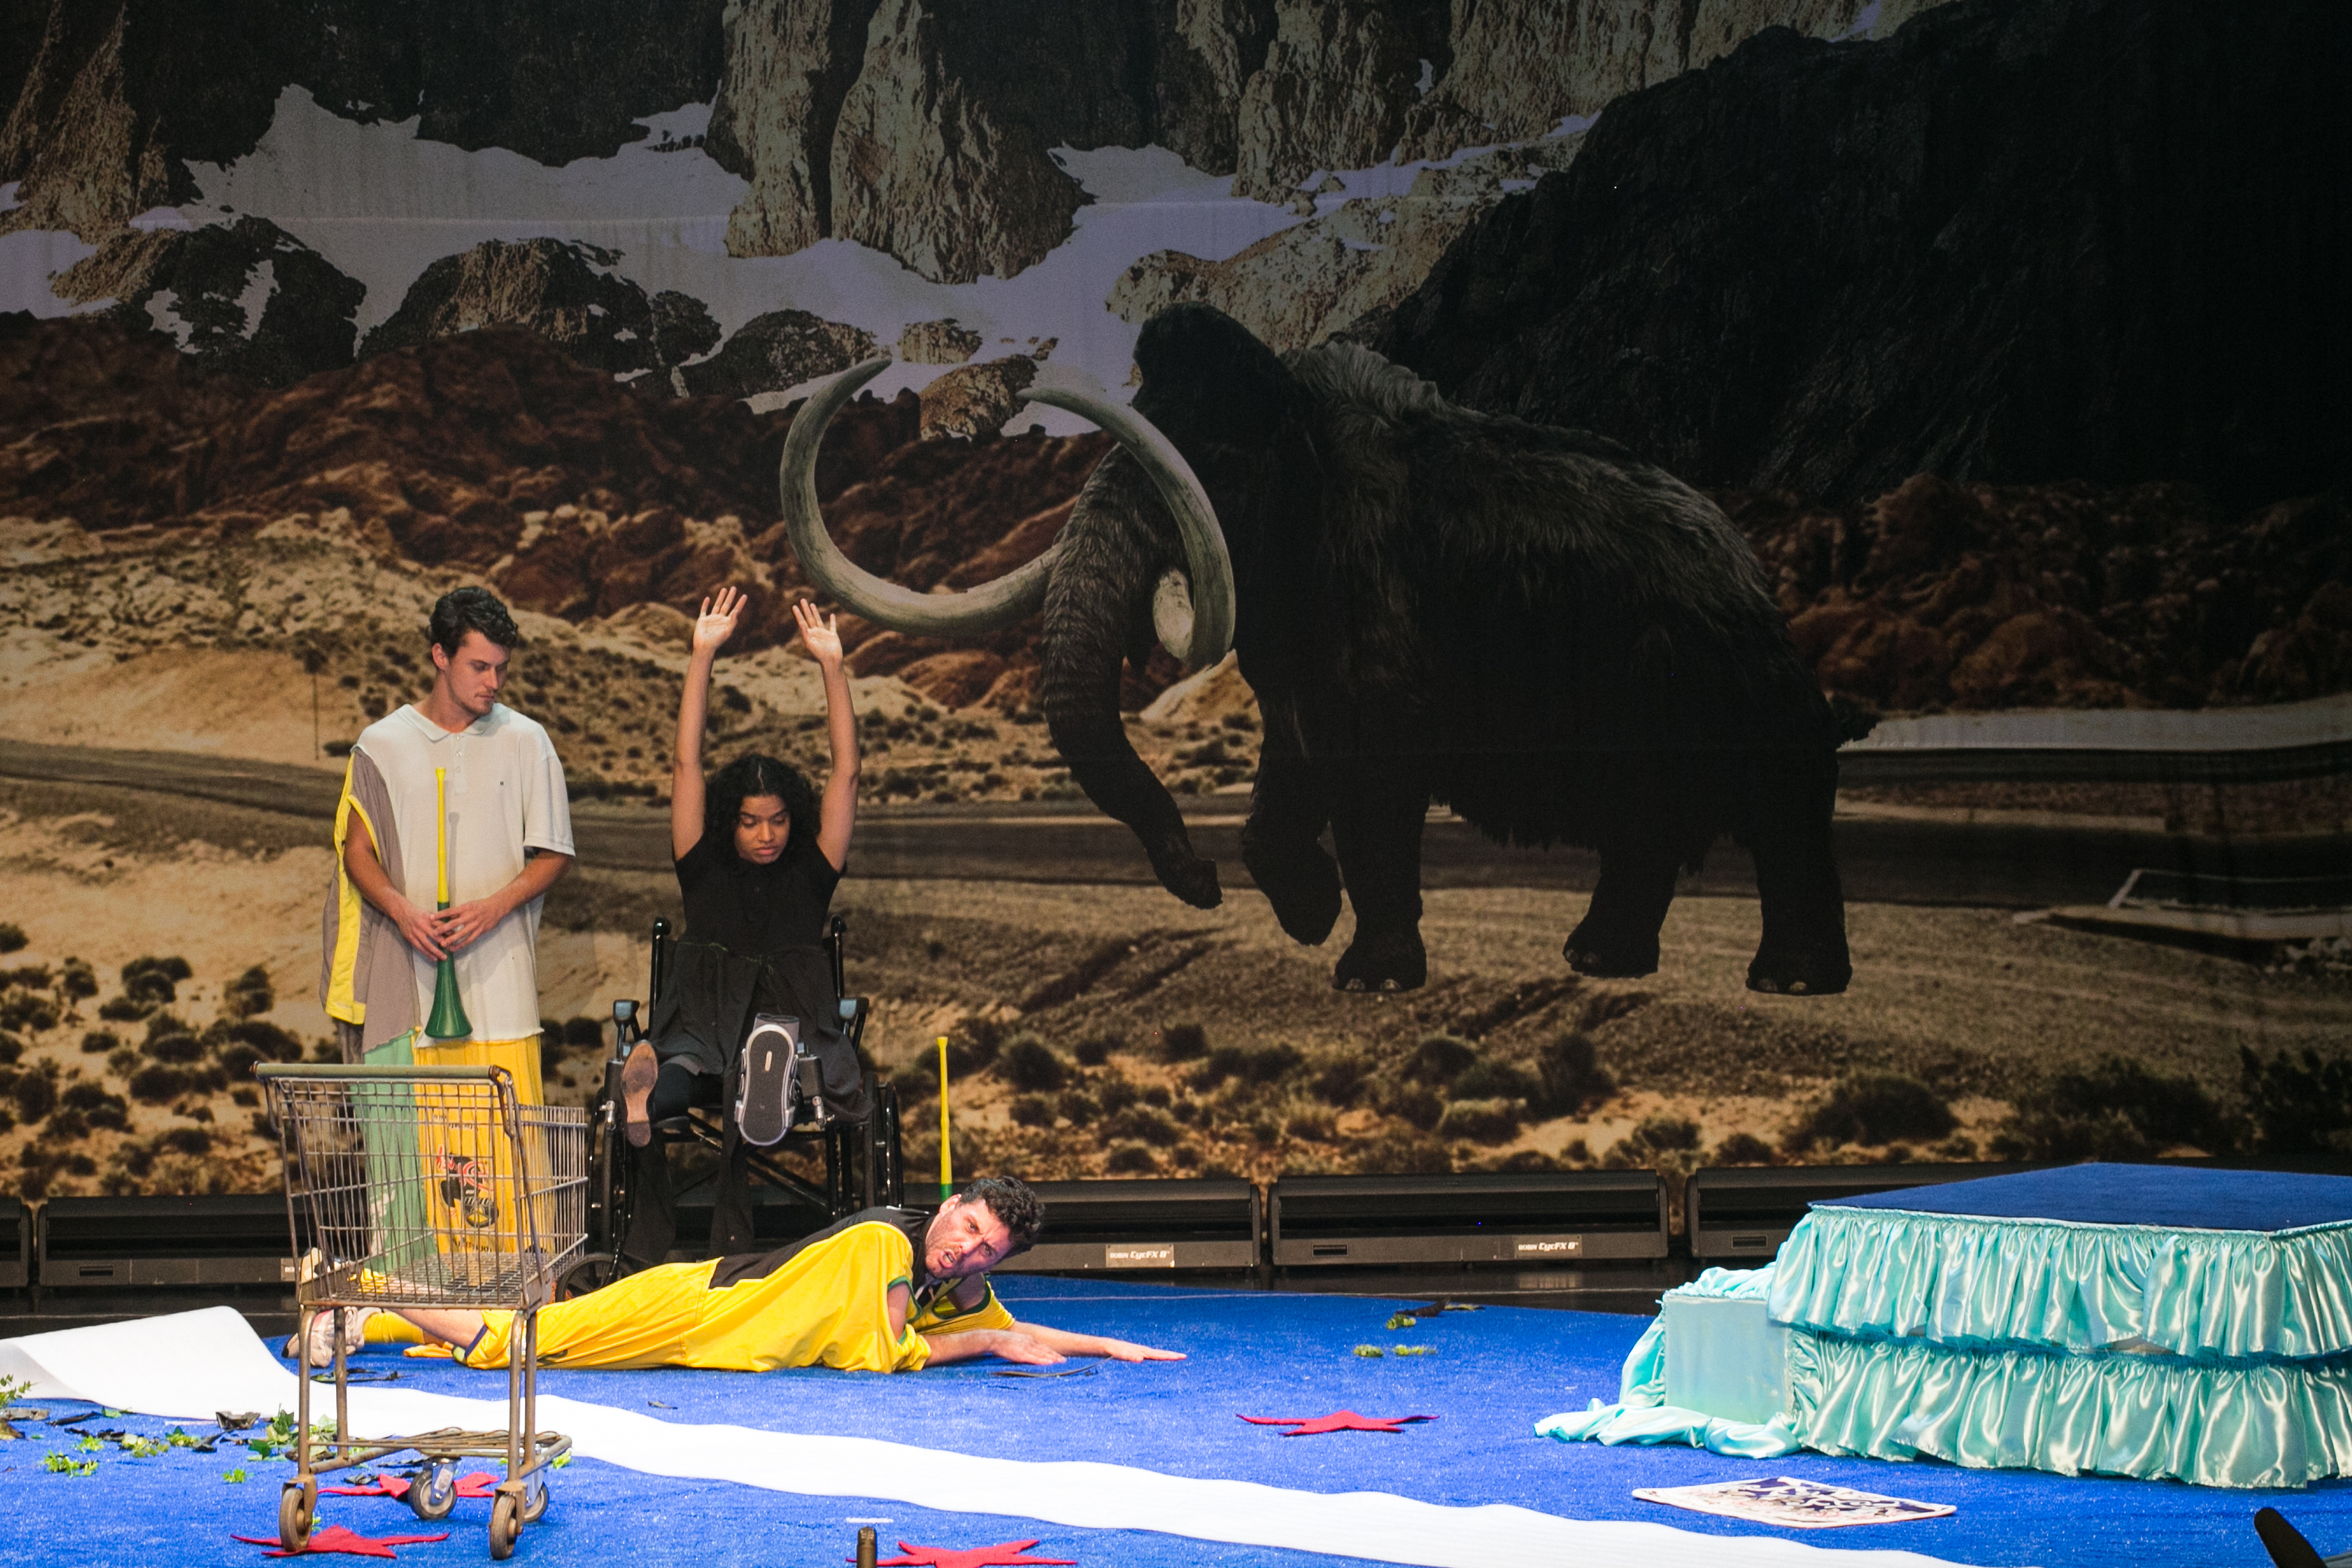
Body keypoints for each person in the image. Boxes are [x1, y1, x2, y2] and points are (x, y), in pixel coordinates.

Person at [313, 1178, 1182, 1374]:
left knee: (532, 1344)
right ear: (951, 1204)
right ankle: (362, 1288)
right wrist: (985, 1342)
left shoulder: (943, 1273)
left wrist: (1108, 1345)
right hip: (690, 1309)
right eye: (969, 1226)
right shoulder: (888, 1244)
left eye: (988, 1249)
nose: (967, 1252)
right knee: (516, 1347)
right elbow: (889, 1352)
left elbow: (1006, 1325)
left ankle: (353, 1321)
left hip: (702, 1327)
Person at [614, 588, 862, 1262]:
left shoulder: (812, 870)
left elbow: (845, 774)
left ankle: (754, 1075)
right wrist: (701, 656)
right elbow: (685, 764)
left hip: (779, 1018)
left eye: (778, 821)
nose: (766, 834)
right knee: (690, 1066)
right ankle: (660, 1093)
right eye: (750, 822)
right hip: (709, 1017)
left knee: (720, 1057)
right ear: (730, 821)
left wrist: (832, 668)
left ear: (794, 819)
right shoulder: (701, 865)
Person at [319, 587, 574, 1100]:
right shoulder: (381, 744)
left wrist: (493, 908)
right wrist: (403, 913)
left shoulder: (527, 740)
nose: (493, 682)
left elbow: (555, 855)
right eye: (479, 667)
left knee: (505, 1149)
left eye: (502, 668)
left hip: (503, 997)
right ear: (440, 655)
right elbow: (356, 852)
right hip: (405, 995)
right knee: (411, 1151)